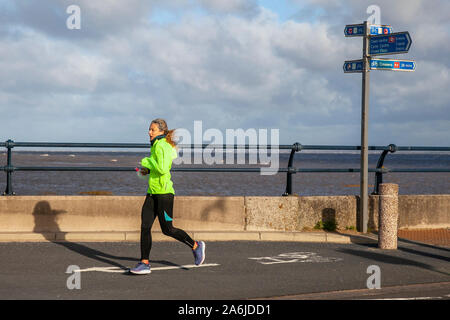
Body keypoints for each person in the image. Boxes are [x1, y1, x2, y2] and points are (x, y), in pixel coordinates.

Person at [130, 118, 205, 275]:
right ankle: (144, 263)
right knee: (145, 227)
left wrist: (147, 161)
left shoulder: (162, 146)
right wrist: (147, 171)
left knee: (168, 229)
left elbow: (163, 169)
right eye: (149, 129)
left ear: (161, 132)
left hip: (164, 194)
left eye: (152, 130)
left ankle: (196, 246)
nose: (149, 132)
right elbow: (158, 168)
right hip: (152, 193)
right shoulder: (156, 145)